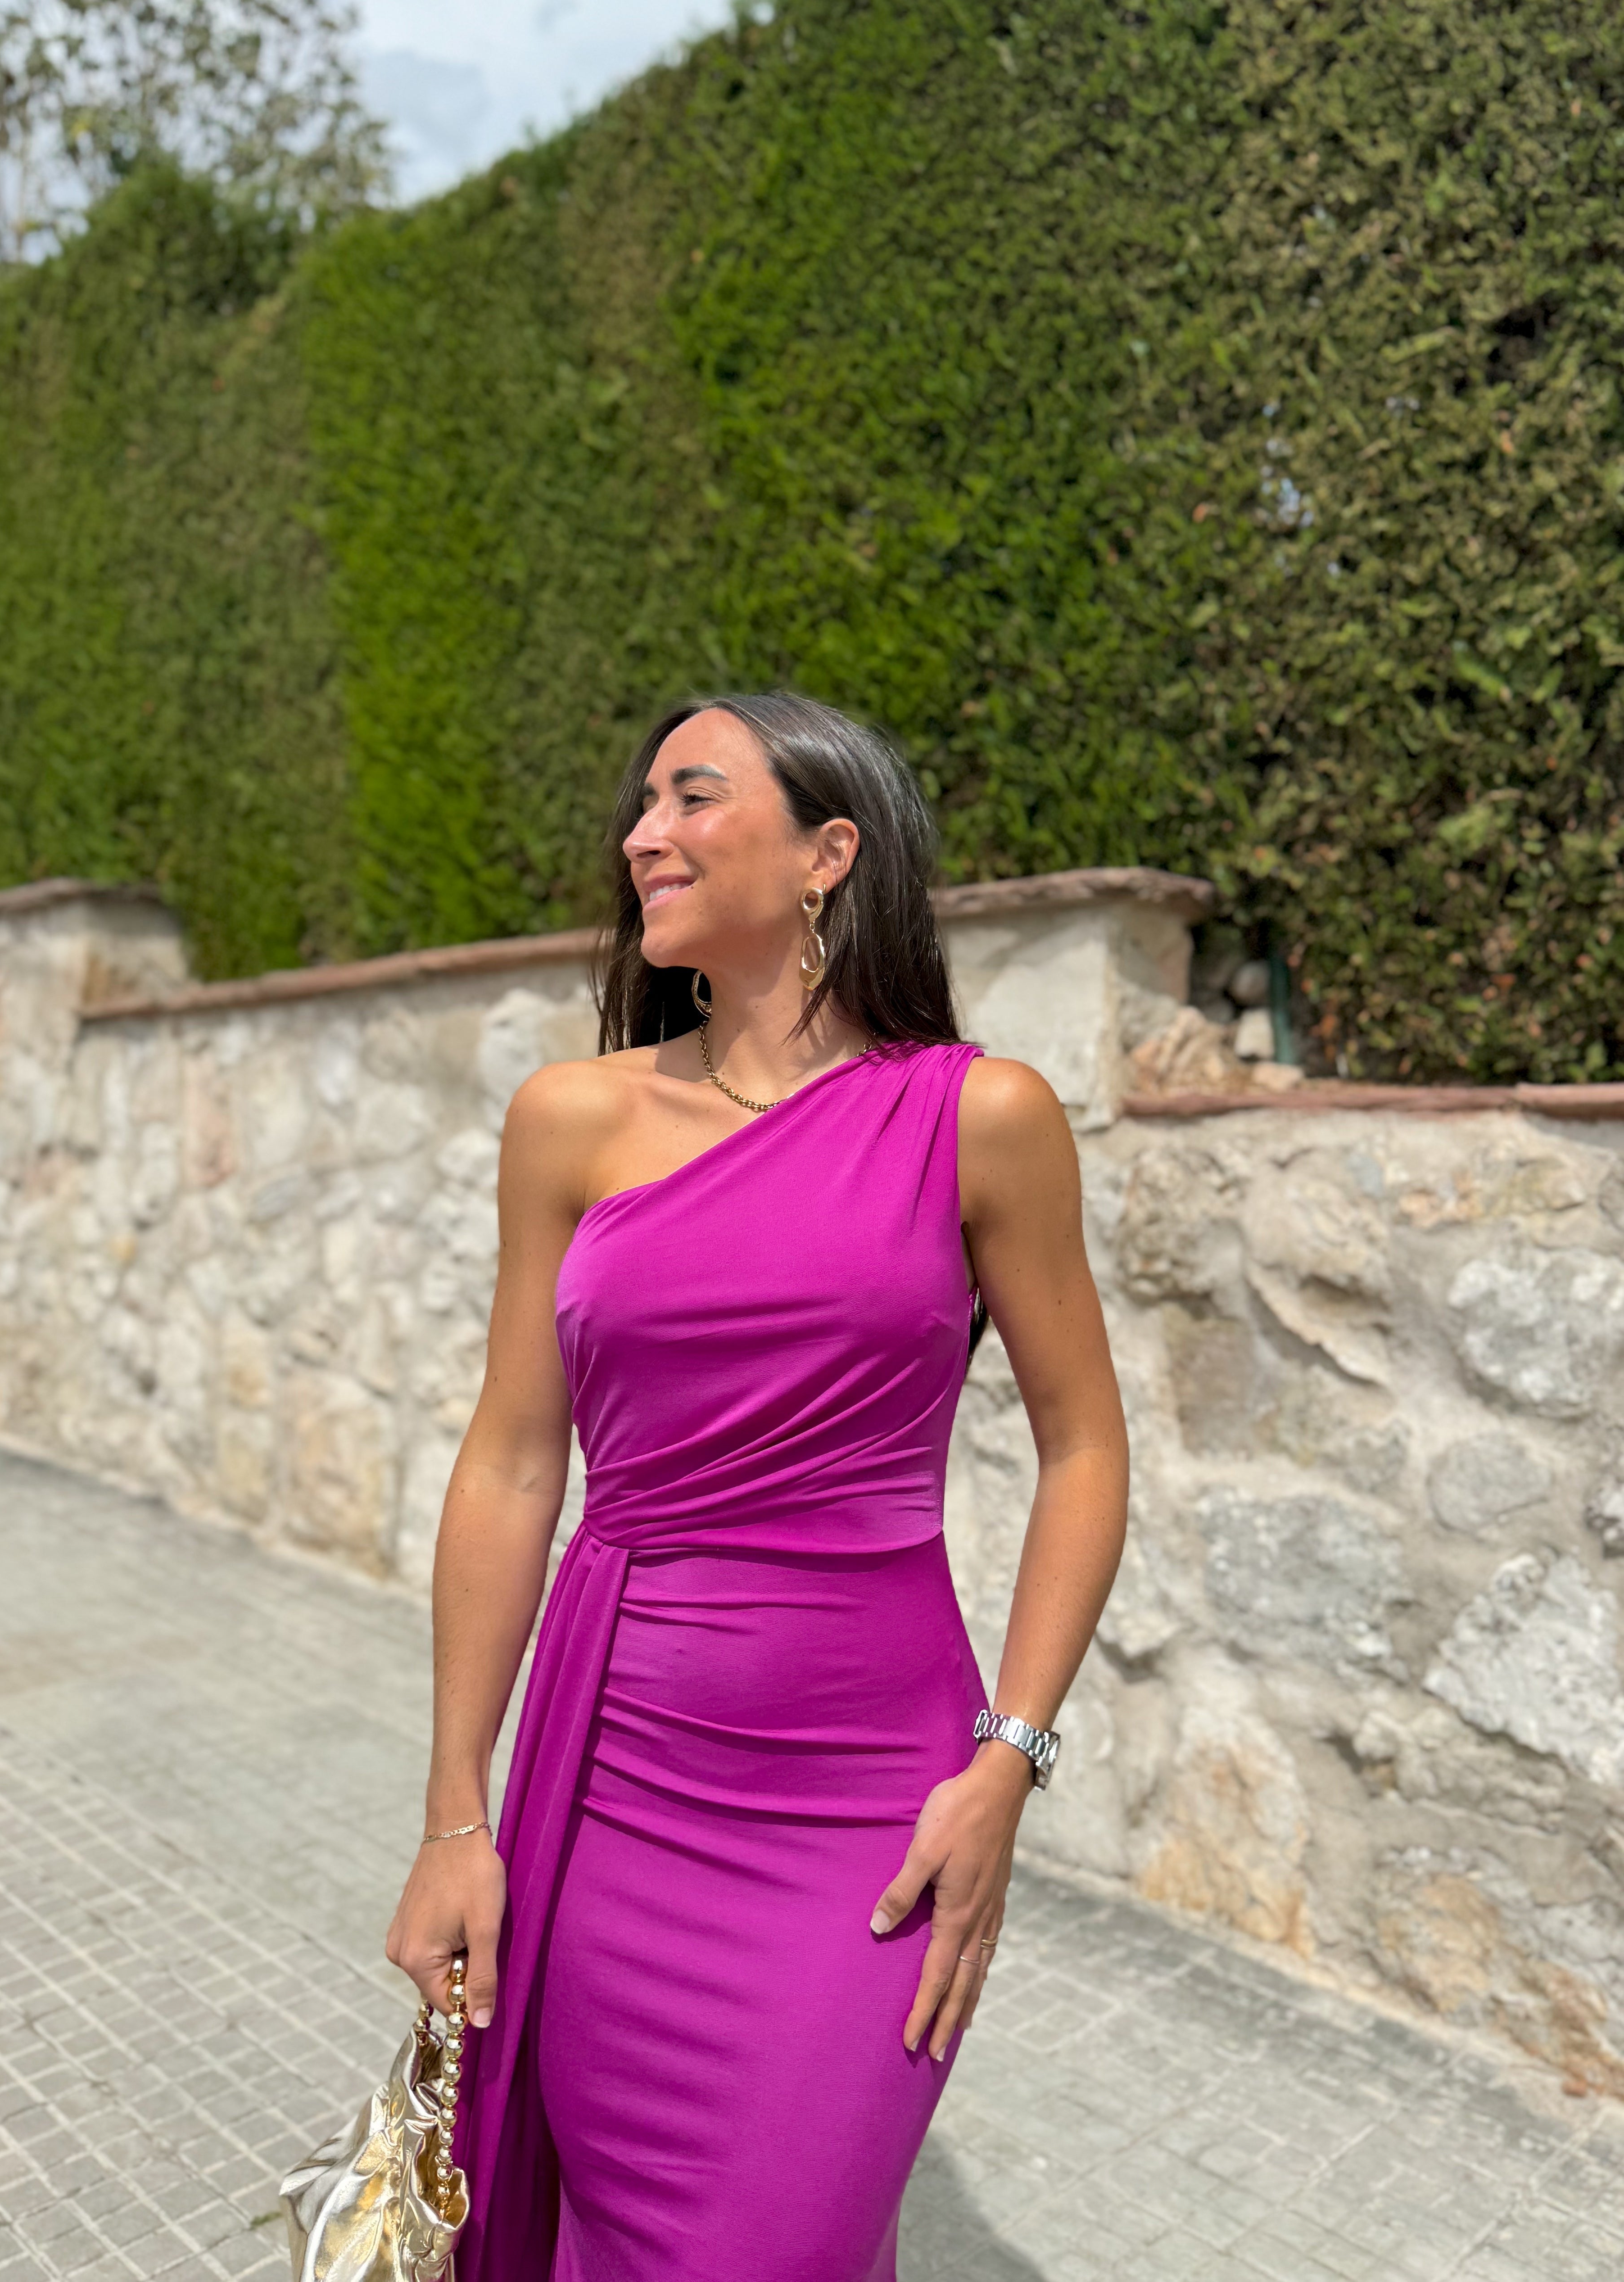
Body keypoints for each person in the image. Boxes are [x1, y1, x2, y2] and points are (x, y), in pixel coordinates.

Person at [384, 691, 1129, 2282]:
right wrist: (455, 1812)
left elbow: (1084, 1445)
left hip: (869, 1804)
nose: (641, 834)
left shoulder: (980, 1117)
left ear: (826, 854)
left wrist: (1008, 1758)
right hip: (612, 1784)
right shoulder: (570, 1120)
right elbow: (511, 1461)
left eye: (692, 797)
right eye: (641, 805)